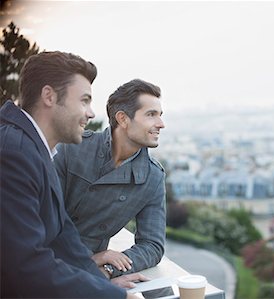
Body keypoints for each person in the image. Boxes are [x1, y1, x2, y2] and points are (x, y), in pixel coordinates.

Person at [0, 51, 146, 298]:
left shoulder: (37, 150)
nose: (90, 113)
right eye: (84, 100)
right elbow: (27, 265)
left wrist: (105, 287)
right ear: (49, 96)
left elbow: (65, 243)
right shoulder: (14, 153)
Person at [54, 79, 166, 278]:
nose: (161, 124)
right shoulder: (73, 148)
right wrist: (88, 259)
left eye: (160, 115)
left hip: (89, 274)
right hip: (42, 260)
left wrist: (109, 269)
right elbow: (45, 217)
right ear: (123, 119)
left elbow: (152, 245)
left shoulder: (152, 177)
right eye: (151, 115)